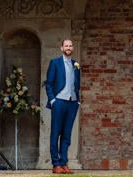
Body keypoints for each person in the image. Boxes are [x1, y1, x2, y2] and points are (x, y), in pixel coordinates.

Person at [44, 38, 81, 174]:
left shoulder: (76, 64)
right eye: (66, 46)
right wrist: (53, 100)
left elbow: (77, 84)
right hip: (59, 101)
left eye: (70, 46)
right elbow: (48, 83)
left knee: (67, 134)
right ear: (62, 48)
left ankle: (64, 162)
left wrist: (77, 101)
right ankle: (56, 164)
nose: (68, 48)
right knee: (56, 133)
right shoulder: (55, 63)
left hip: (72, 102)